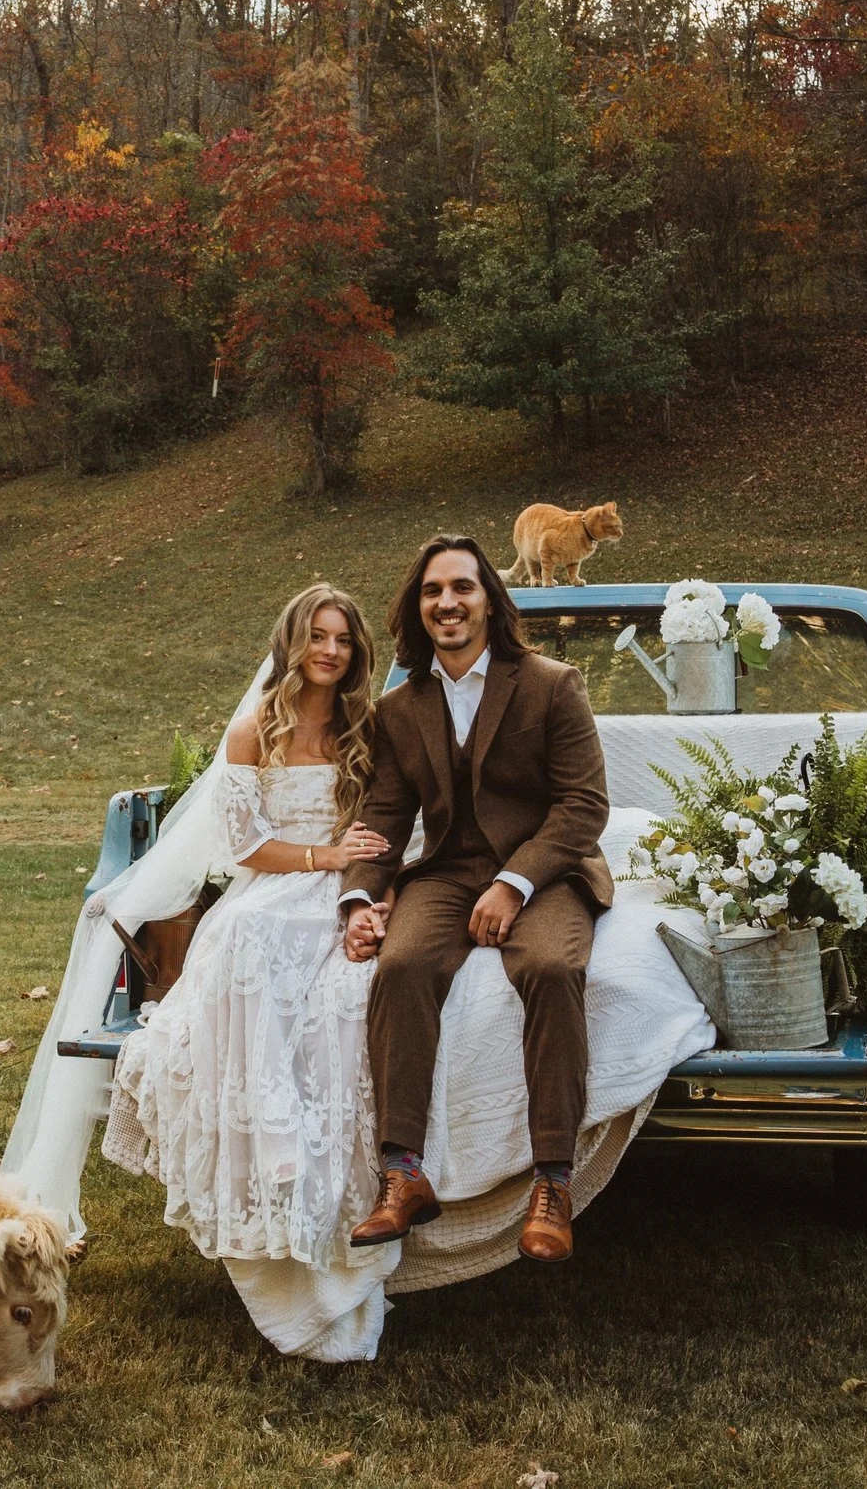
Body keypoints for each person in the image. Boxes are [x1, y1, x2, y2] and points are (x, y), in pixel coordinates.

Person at [100, 584, 400, 1361]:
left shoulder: (366, 728)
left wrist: (362, 882)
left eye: (343, 639)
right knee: (247, 939)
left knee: (348, 996)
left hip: (344, 890)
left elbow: (391, 823)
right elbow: (244, 847)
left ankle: (344, 1196)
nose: (330, 650)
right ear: (292, 642)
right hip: (275, 887)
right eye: (317, 636)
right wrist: (323, 853)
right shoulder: (252, 730)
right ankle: (272, 1144)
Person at [340, 535, 613, 1264]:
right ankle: (402, 1173)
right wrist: (359, 900)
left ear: (490, 599)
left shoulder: (552, 684)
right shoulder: (399, 708)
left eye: (462, 587)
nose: (448, 602)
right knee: (400, 967)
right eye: (433, 591)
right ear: (417, 608)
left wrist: (513, 883)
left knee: (551, 967)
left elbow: (584, 806)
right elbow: (385, 816)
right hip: (447, 871)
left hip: (545, 872)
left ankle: (552, 1184)